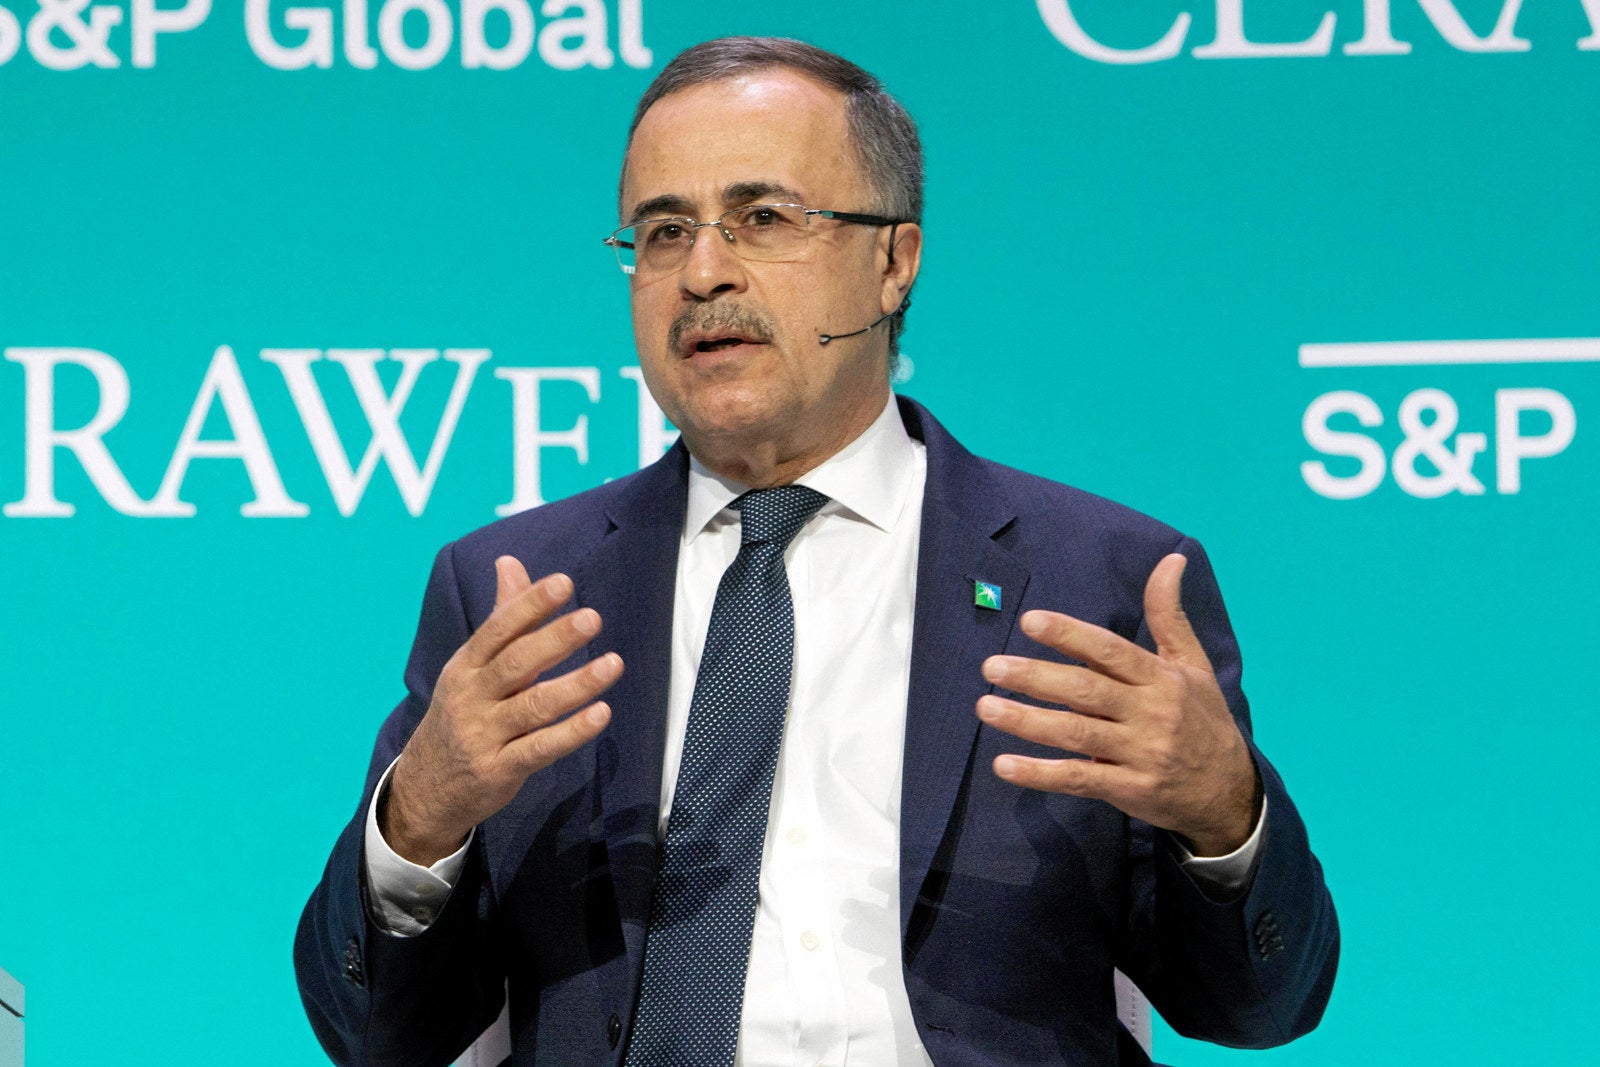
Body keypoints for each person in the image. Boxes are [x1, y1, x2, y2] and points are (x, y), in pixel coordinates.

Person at [295, 36, 1338, 1067]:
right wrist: (418, 821)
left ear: (893, 261)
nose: (703, 272)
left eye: (762, 218)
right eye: (663, 232)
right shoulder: (514, 589)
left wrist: (1222, 814)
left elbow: (1258, 1009)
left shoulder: (1099, 580)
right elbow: (375, 1034)